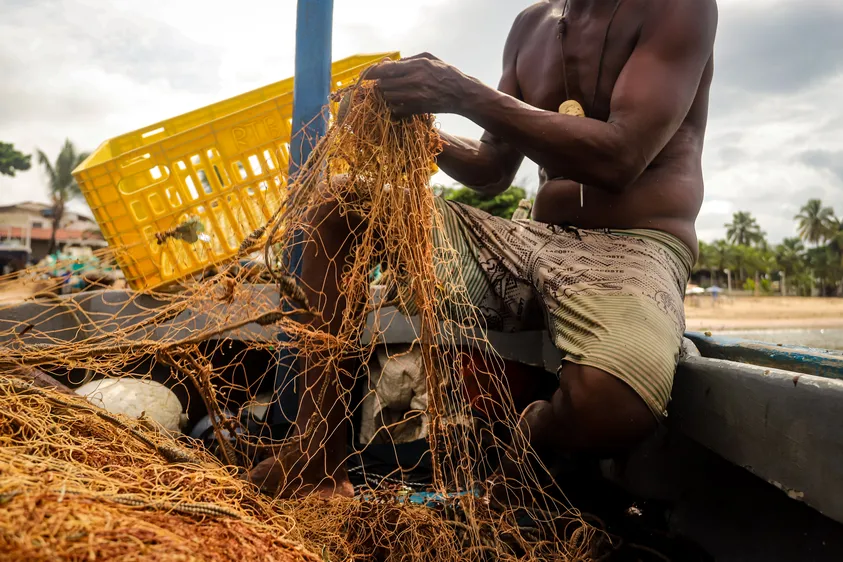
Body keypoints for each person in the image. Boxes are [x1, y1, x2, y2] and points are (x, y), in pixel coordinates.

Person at [250, 0, 718, 498]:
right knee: (342, 200)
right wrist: (411, 123)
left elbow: (621, 156)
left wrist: (460, 91)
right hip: (532, 242)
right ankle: (315, 458)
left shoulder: (679, 7)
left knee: (609, 408)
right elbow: (492, 169)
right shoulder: (531, 26)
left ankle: (531, 436)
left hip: (635, 251)